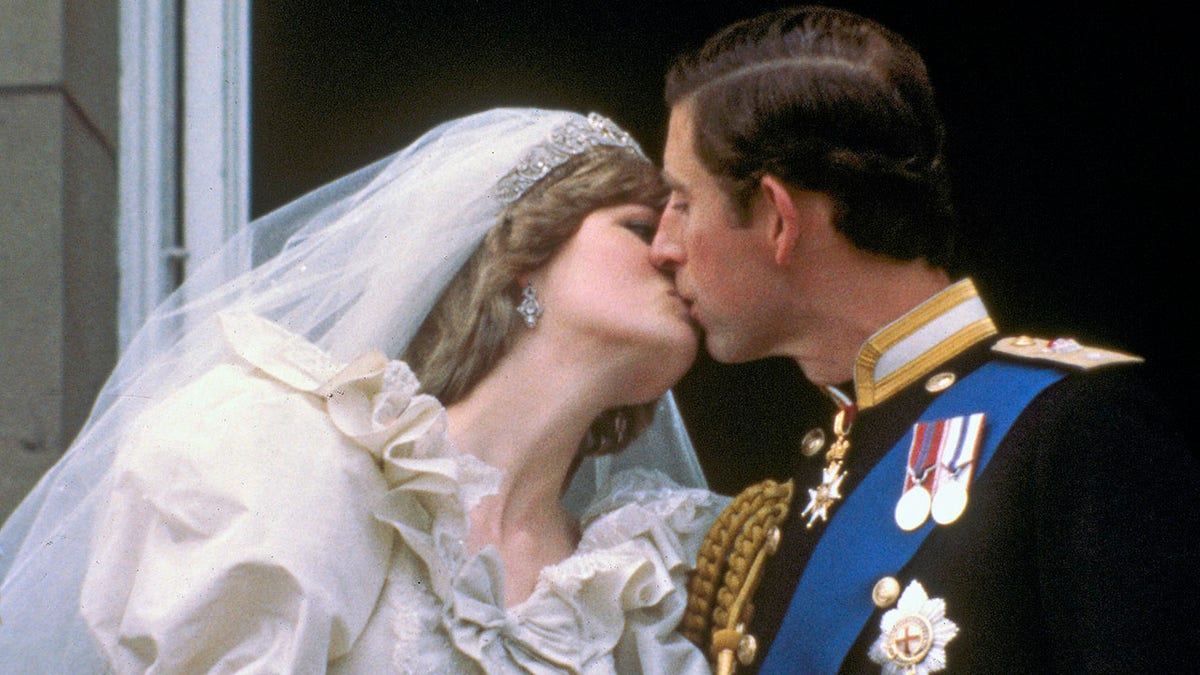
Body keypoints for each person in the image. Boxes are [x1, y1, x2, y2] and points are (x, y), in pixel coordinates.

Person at [0, 108, 727, 672]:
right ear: (522, 260)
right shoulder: (291, 462)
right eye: (638, 225)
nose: (673, 252)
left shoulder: (647, 584)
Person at [651, 6, 1200, 674]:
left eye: (682, 202)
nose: (663, 246)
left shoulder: (1074, 429)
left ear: (776, 217)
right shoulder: (809, 478)